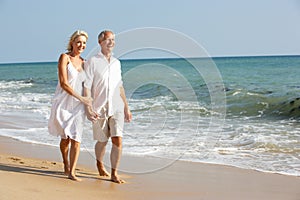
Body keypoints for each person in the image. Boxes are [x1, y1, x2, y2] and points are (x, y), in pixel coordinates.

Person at [84, 30, 132, 184]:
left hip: (117, 106)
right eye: (108, 40)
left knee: (118, 140)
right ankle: (99, 162)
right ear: (100, 42)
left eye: (113, 39)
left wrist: (126, 107)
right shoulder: (92, 61)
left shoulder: (117, 63)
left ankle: (114, 173)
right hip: (100, 107)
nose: (111, 42)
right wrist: (88, 107)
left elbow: (120, 86)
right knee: (102, 141)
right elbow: (87, 86)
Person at [48, 30, 92, 181]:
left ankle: (72, 172)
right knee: (65, 138)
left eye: (84, 43)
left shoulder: (85, 63)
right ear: (72, 42)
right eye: (78, 42)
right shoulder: (64, 58)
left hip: (79, 105)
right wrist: (82, 98)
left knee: (76, 137)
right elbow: (63, 83)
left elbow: (87, 86)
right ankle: (65, 161)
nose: (81, 45)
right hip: (64, 102)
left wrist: (89, 106)